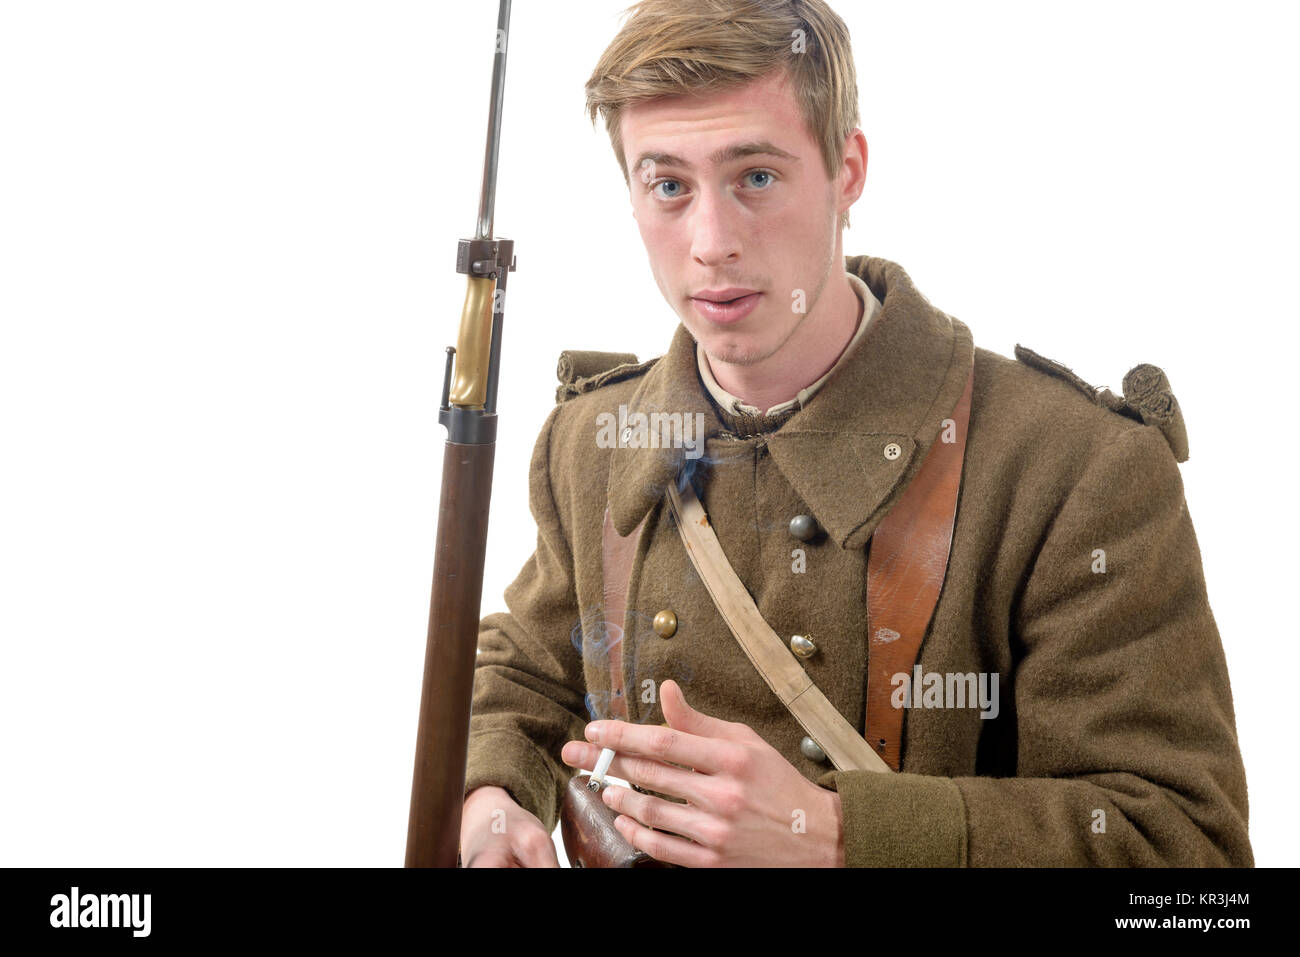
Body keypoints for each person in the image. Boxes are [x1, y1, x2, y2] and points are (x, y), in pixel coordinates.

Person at [457, 0, 1252, 867]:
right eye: (668, 185)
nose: (711, 243)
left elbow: (1187, 870)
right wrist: (495, 799)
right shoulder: (595, 439)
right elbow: (526, 674)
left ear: (848, 168)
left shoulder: (1073, 468)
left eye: (755, 176)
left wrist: (837, 832)